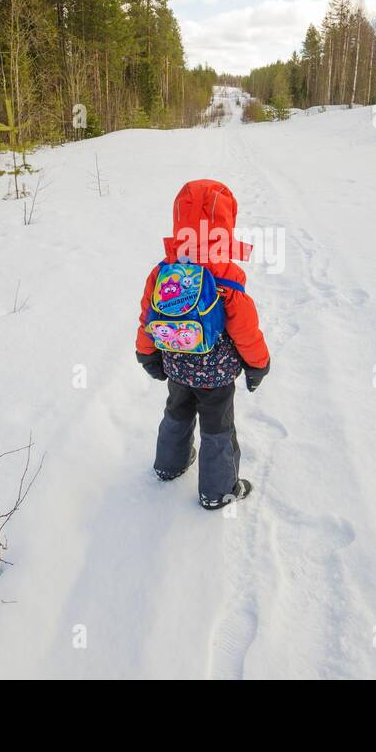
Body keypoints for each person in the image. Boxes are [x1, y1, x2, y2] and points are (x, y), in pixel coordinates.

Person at [135, 179, 270, 509]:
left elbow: (147, 315)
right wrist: (257, 365)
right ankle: (218, 490)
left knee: (176, 414)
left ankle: (169, 465)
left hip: (176, 366)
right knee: (217, 429)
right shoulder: (226, 276)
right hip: (217, 374)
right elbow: (245, 329)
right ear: (225, 225)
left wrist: (146, 353)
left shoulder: (164, 271)